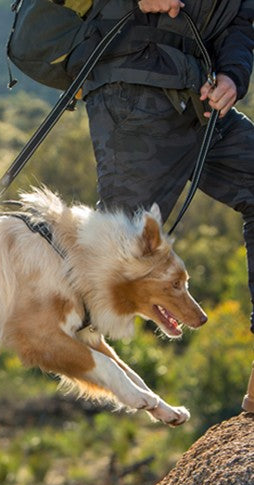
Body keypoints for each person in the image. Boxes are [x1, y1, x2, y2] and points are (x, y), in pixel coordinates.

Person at [76, 0, 254, 333]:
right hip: (135, 93)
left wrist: (232, 76)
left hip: (200, 97)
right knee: (113, 260)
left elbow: (240, 23)